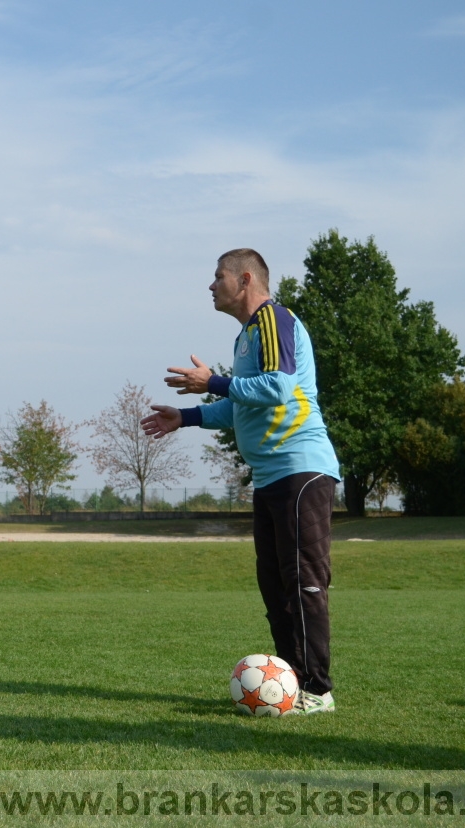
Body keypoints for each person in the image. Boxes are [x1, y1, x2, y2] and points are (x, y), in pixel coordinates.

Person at [140, 248, 341, 714]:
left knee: (303, 582)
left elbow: (277, 388)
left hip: (300, 469)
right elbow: (240, 403)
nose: (211, 286)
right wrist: (186, 417)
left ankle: (317, 690)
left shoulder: (274, 319)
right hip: (271, 476)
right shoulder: (247, 337)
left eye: (217, 277)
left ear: (245, 279)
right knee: (274, 586)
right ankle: (291, 686)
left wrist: (213, 381)